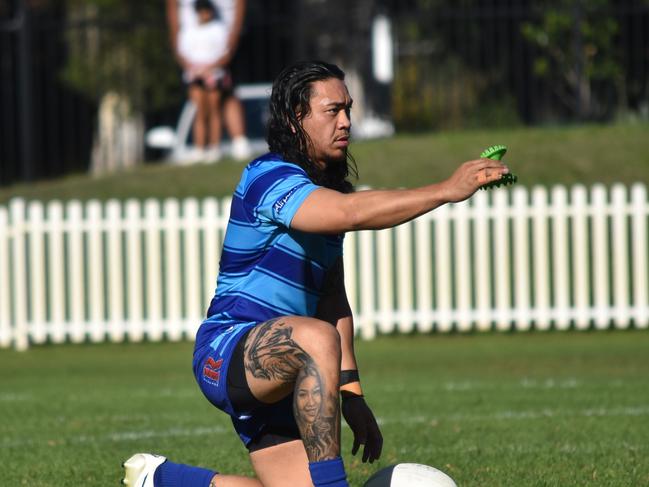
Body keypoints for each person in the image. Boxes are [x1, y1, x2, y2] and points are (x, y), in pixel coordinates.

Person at [122, 60, 509, 487]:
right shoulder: (267, 176)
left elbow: (332, 299)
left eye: (348, 109)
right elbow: (350, 212)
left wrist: (352, 392)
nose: (346, 122)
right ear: (294, 119)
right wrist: (444, 190)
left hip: (294, 368)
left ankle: (161, 479)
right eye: (332, 111)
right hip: (228, 351)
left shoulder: (328, 193)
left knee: (316, 338)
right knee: (315, 338)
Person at [166, 0, 251, 163]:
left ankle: (215, 147)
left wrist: (213, 66)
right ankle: (199, 148)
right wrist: (191, 66)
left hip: (214, 72)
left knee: (215, 109)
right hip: (195, 72)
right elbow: (182, 48)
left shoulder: (219, 30)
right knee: (200, 111)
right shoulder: (189, 32)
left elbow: (224, 49)